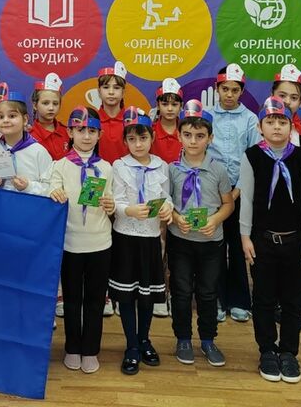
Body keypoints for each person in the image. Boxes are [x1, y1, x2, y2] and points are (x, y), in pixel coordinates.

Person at [239, 97, 301, 385]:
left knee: (293, 300)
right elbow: (247, 199)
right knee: (263, 298)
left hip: (296, 242)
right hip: (262, 240)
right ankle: (267, 350)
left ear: (290, 126)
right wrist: (245, 236)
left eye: (282, 122)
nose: (276, 127)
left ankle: (288, 352)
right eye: (270, 122)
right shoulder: (251, 157)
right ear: (260, 127)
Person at [166, 99, 233, 368]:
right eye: (188, 135)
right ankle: (182, 338)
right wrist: (176, 218)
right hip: (180, 241)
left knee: (207, 293)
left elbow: (228, 203)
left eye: (200, 136)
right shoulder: (172, 169)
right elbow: (167, 203)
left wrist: (215, 220)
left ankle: (208, 339)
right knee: (181, 291)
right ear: (179, 136)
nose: (193, 141)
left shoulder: (218, 169)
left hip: (211, 243)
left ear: (210, 138)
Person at [49, 107, 114, 374]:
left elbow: (114, 200)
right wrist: (53, 192)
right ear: (70, 132)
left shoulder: (107, 168)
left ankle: (91, 349)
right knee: (72, 299)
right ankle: (72, 347)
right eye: (80, 130)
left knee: (96, 300)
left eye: (92, 131)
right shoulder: (59, 166)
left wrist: (111, 205)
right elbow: (49, 189)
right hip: (70, 244)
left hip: (100, 243)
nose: (86, 136)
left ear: (99, 134)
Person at [109, 107, 172, 375]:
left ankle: (145, 339)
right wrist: (128, 210)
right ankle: (131, 345)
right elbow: (115, 200)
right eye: (132, 139)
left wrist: (167, 208)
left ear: (152, 138)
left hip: (150, 238)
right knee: (127, 295)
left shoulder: (162, 165)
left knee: (147, 295)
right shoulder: (119, 166)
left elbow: (166, 197)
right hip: (125, 237)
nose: (138, 144)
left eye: (143, 138)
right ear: (125, 141)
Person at [208, 63, 260, 323]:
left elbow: (253, 157)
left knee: (238, 247)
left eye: (235, 90)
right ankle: (216, 299)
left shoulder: (250, 119)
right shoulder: (207, 116)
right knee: (215, 247)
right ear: (217, 88)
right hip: (212, 194)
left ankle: (239, 300)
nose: (229, 94)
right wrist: (217, 191)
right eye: (225, 89)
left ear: (242, 91)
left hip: (240, 193)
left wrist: (238, 190)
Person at [270, 64, 301, 328]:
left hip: (297, 204)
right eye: (282, 95)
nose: (287, 101)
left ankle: (297, 299)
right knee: (270, 254)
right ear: (272, 96)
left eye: (294, 97)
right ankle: (273, 299)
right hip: (268, 204)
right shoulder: (261, 127)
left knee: (298, 255)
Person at [0, 87, 53, 196]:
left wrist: (28, 186)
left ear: (25, 120)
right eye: (0, 117)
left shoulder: (39, 152)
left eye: (12, 116)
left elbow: (51, 187)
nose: (5, 120)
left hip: (29, 205)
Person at [30, 72, 70, 160]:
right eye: (45, 103)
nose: (51, 108)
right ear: (35, 105)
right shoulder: (29, 136)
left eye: (55, 103)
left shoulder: (67, 132)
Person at [95, 62, 127, 163]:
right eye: (106, 87)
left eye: (116, 88)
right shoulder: (92, 120)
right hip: (97, 172)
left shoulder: (131, 120)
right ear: (99, 92)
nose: (111, 92)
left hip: (126, 173)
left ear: (123, 92)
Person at [151, 78, 183, 164]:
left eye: (174, 104)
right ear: (158, 105)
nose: (170, 109)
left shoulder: (186, 131)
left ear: (181, 106)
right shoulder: (150, 131)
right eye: (165, 104)